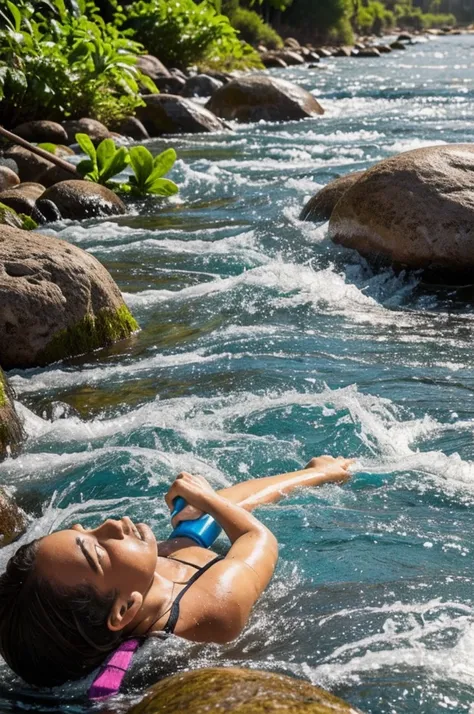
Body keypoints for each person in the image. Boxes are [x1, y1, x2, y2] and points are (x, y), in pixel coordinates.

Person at [0, 455, 352, 689]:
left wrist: (307, 475)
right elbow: (255, 535)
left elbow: (227, 508)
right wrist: (327, 473)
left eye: (85, 529)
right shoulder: (213, 608)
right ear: (123, 610)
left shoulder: (142, 572)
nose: (108, 525)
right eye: (98, 549)